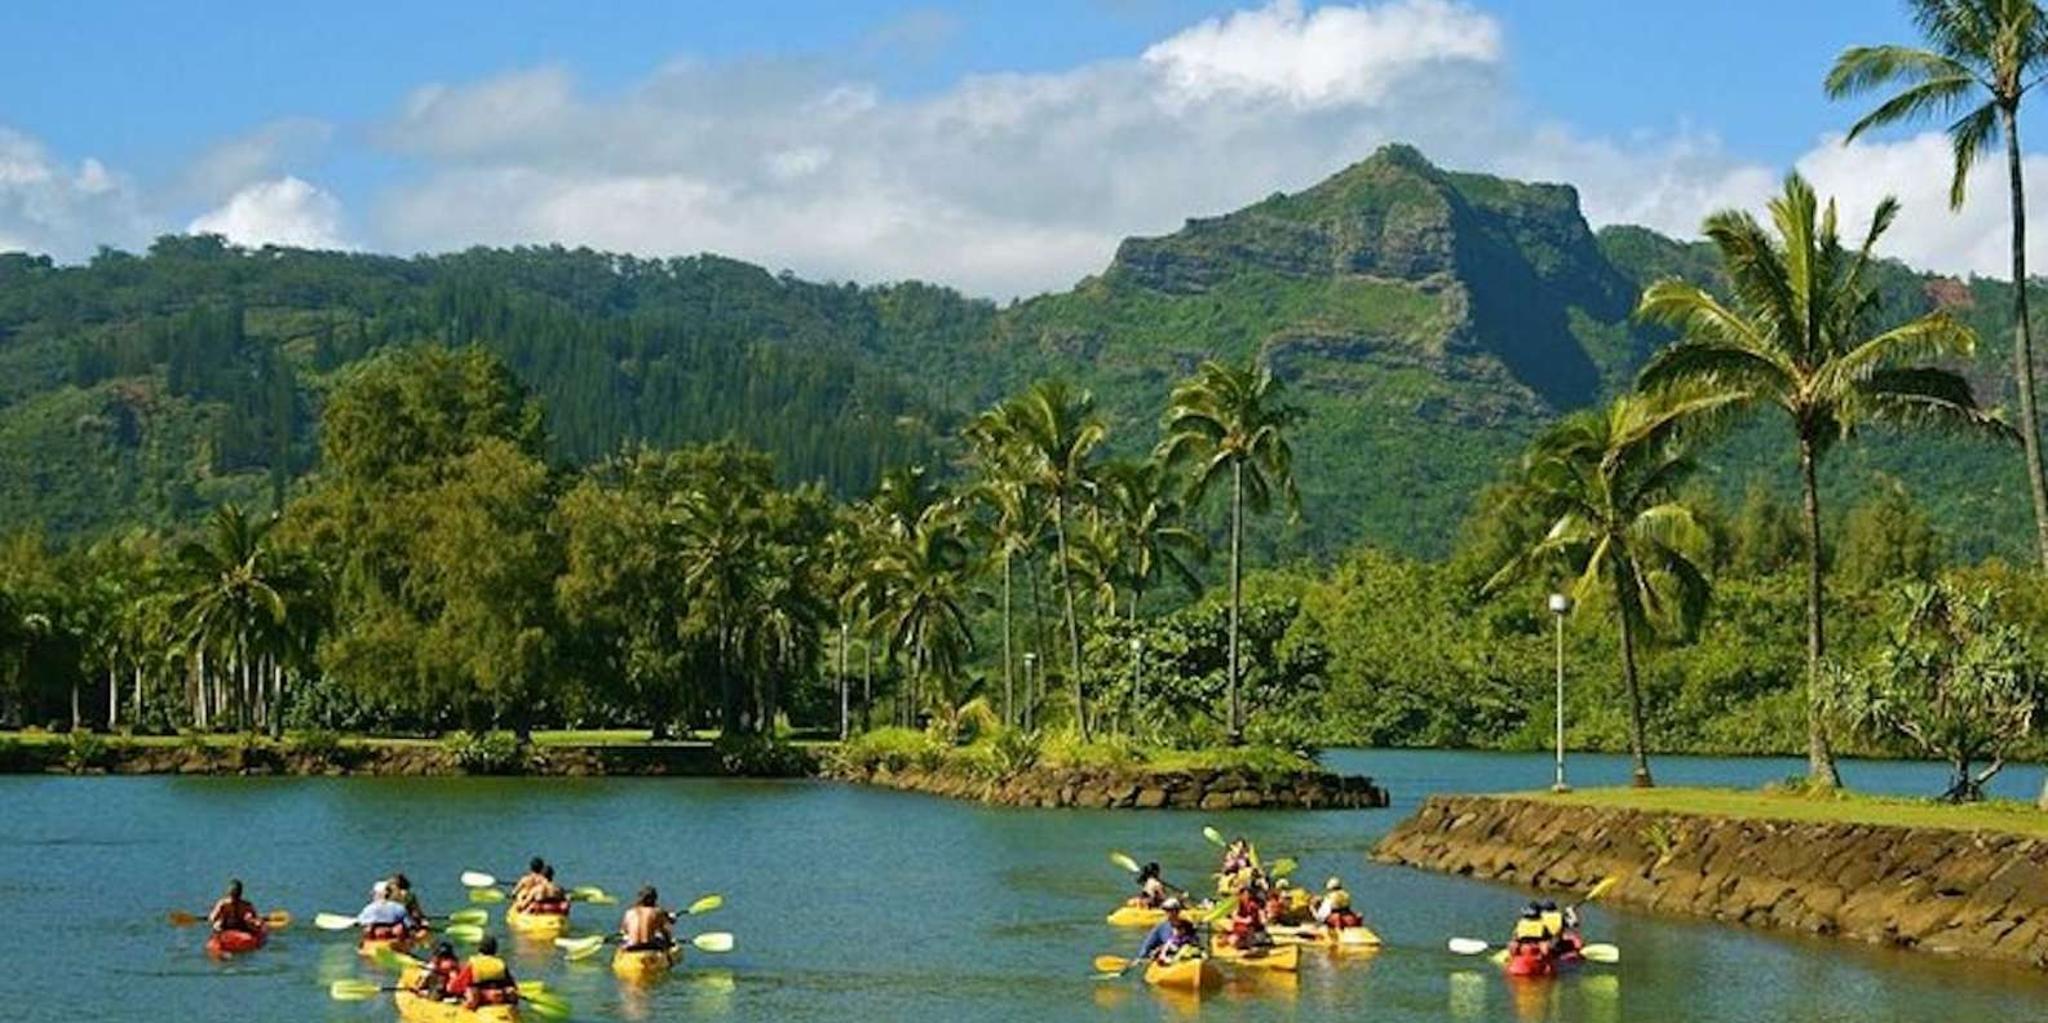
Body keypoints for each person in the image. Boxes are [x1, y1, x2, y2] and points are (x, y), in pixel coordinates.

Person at [446, 935, 519, 1010]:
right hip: (499, 996)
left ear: (479, 949)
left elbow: (457, 987)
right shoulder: (500, 963)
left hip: (481, 997)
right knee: (509, 991)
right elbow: (512, 984)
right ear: (495, 950)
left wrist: (452, 978)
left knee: (469, 990)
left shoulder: (473, 963)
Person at [1134, 899, 1199, 964]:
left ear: (1177, 911)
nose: (1167, 913)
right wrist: (1141, 957)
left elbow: (1195, 940)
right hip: (1169, 956)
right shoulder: (1161, 927)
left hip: (1186, 955)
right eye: (1166, 910)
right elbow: (1148, 944)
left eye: (1170, 910)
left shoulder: (1187, 925)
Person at [621, 886, 675, 951]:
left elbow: (624, 930)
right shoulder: (657, 911)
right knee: (663, 933)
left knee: (625, 939)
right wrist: (669, 943)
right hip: (649, 946)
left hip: (632, 946)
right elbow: (664, 929)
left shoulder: (629, 912)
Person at [1227, 884, 1270, 950]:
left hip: (1254, 931)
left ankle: (1250, 944)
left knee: (1250, 932)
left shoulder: (1253, 905)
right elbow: (1234, 916)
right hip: (1242, 930)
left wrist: (1263, 919)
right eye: (1244, 894)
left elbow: (1260, 915)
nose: (1246, 896)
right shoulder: (1238, 904)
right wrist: (1244, 920)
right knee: (1233, 940)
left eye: (1247, 894)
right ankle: (1245, 943)